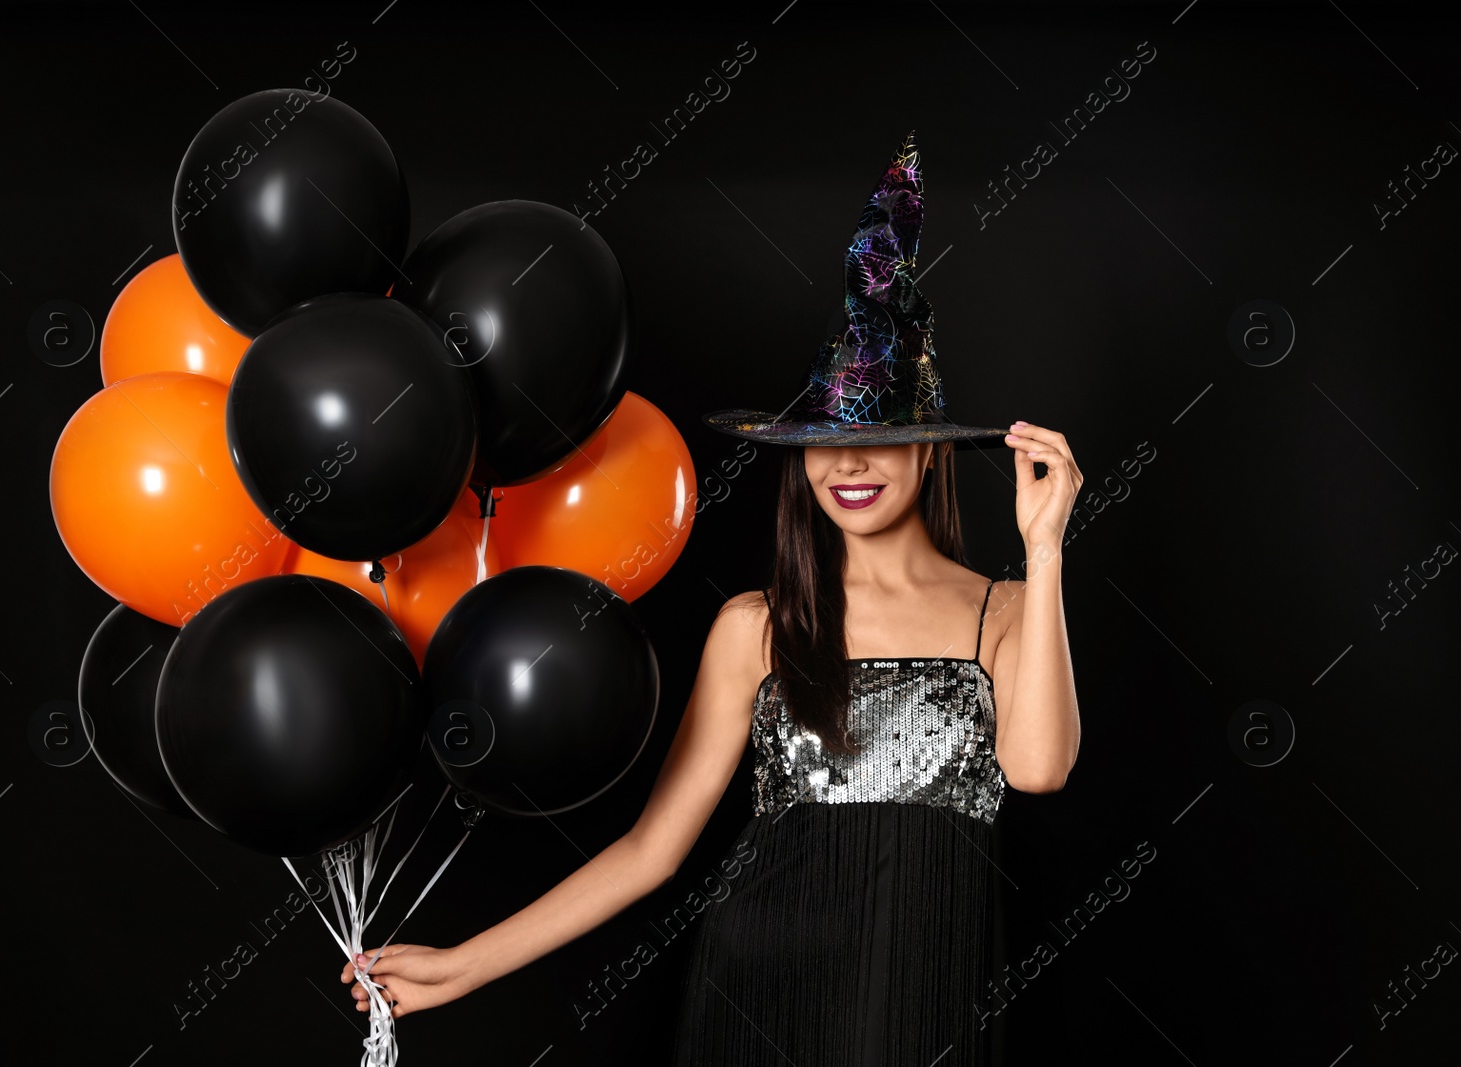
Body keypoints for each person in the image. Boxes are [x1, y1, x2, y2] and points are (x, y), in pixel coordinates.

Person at [338, 132, 1083, 1066]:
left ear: (930, 448)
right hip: (762, 981)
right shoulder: (756, 627)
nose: (847, 464)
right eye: (820, 440)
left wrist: (1044, 549)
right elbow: (653, 850)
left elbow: (1041, 769)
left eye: (881, 439)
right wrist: (461, 966)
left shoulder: (1007, 612)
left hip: (921, 990)